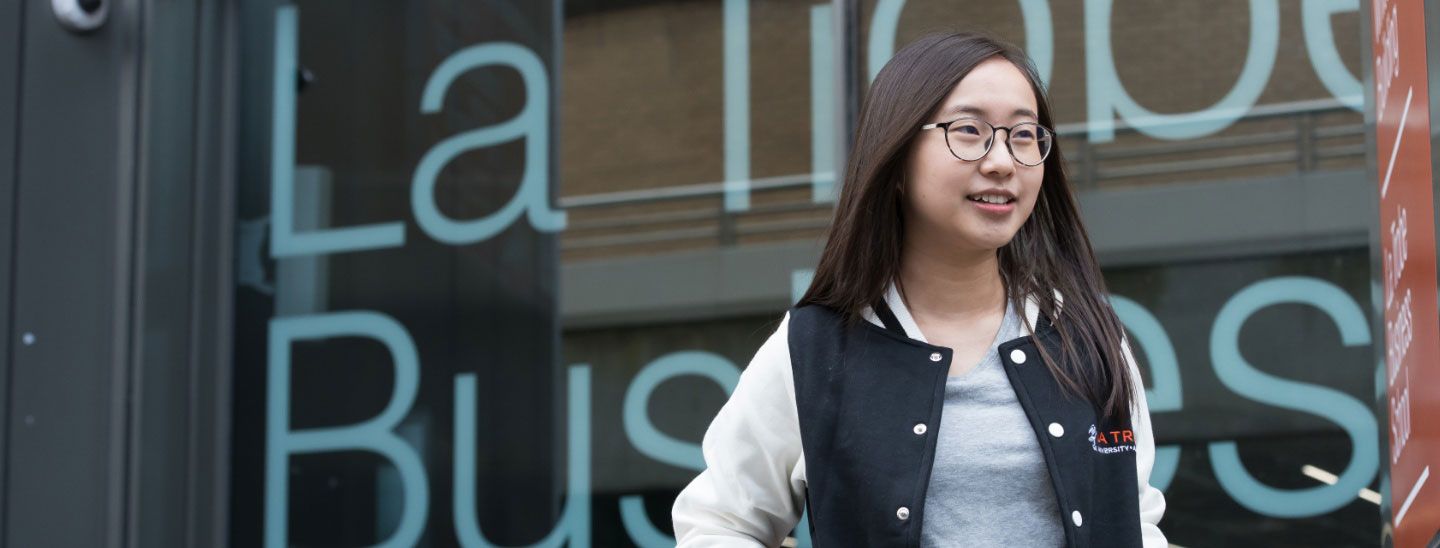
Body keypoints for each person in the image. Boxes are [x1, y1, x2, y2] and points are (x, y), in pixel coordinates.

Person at [670, 31, 1167, 547]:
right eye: (969, 130)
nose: (1002, 161)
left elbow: (1136, 524)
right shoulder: (817, 348)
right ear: (898, 157)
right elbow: (720, 523)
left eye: (1023, 135)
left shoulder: (1086, 336)